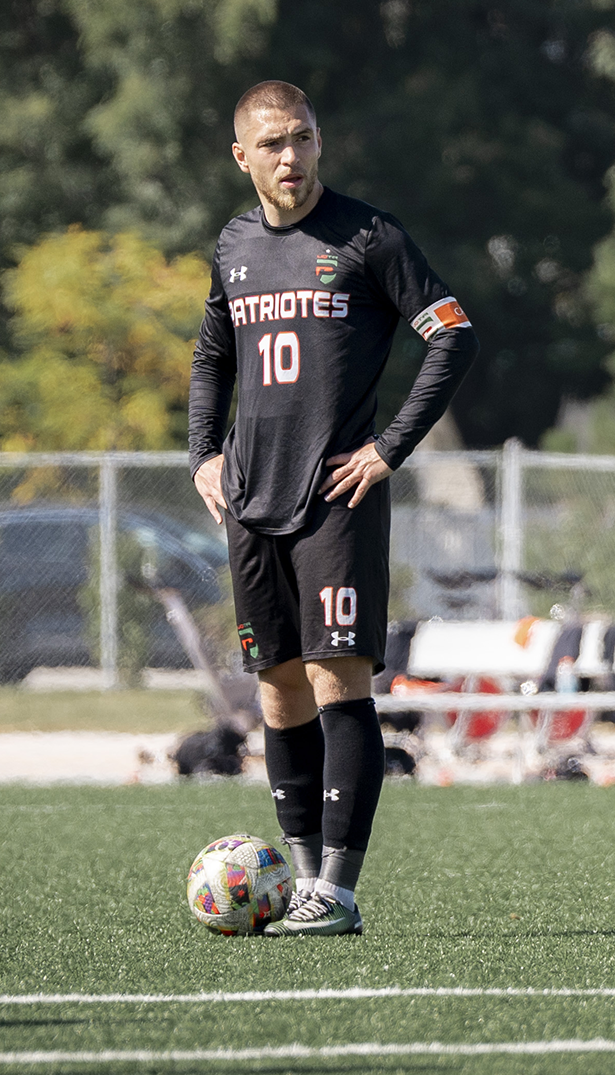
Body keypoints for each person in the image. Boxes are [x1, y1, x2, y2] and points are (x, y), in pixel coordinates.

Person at [187, 81, 479, 936]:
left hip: (336, 499)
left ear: (320, 142)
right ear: (242, 157)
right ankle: (301, 882)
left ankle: (340, 892)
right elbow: (213, 354)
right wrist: (203, 452)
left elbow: (453, 330)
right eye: (273, 144)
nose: (292, 158)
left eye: (304, 139)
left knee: (336, 680)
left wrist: (389, 449)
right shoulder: (235, 246)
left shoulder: (369, 236)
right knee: (278, 693)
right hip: (250, 501)